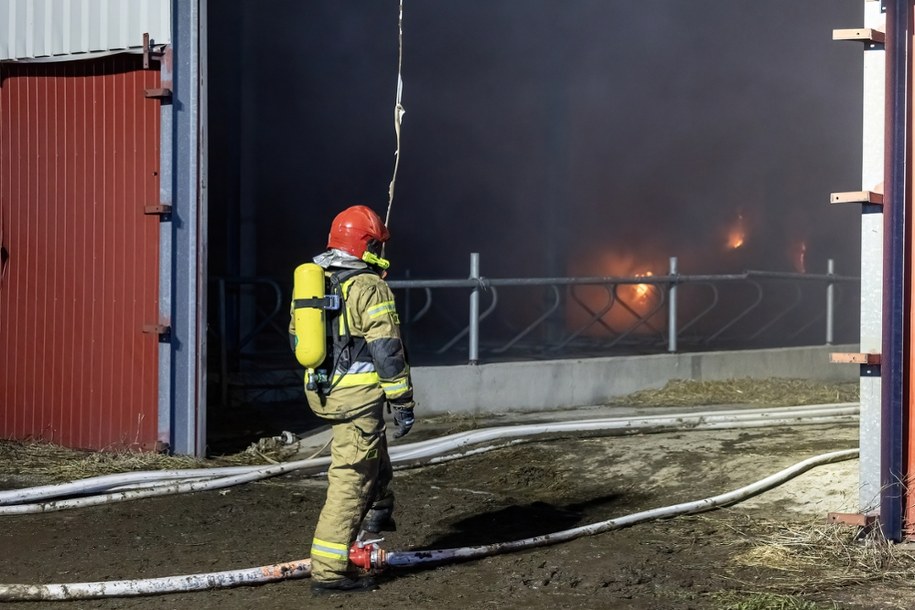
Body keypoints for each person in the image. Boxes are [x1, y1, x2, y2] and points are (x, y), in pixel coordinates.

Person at [289, 204, 415, 593]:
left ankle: (378, 514)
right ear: (365, 245)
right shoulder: (369, 287)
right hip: (357, 400)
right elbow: (387, 351)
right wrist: (403, 402)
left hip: (325, 391)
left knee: (371, 453)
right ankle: (328, 571)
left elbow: (296, 337)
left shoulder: (314, 280)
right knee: (351, 479)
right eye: (376, 243)